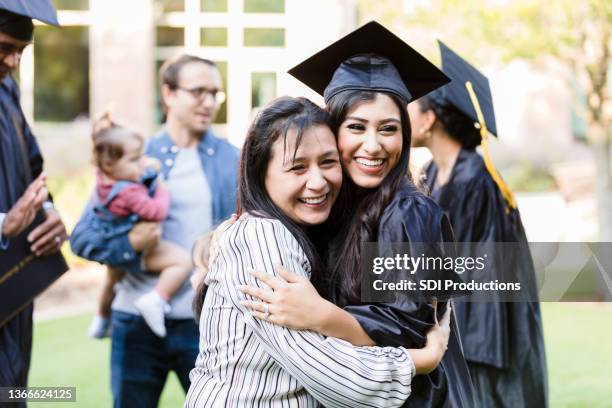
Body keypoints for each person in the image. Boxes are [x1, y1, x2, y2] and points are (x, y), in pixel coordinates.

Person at [240, 21, 476, 407]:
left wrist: (320, 315)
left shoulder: (408, 211)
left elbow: (405, 326)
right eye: (356, 127)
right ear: (331, 130)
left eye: (388, 129)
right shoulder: (329, 206)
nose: (373, 145)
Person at [186, 96, 452, 408]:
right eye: (297, 167)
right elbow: (331, 375)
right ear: (260, 174)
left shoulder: (315, 229)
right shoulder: (260, 235)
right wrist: (423, 360)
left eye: (328, 162)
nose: (318, 182)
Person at [70, 54, 239, 407]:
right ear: (169, 94)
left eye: (215, 93)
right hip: (135, 325)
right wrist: (128, 243)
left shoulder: (234, 160)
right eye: (198, 92)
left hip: (207, 325)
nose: (208, 102)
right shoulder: (134, 156)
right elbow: (83, 238)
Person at [408, 41, 548, 407]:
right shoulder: (433, 172)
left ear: (429, 118)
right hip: (451, 329)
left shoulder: (477, 181)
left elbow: (484, 275)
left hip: (481, 338)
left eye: (412, 106)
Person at [0, 0, 68, 400]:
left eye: (21, 52)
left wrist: (48, 211)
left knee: (12, 389)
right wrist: (2, 224)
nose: (12, 61)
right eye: (5, 47)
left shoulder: (7, 92)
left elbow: (32, 162)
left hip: (12, 289)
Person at [77, 114, 193, 339]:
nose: (142, 162)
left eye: (142, 156)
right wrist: (162, 189)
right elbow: (156, 211)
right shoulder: (128, 193)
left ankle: (101, 318)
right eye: (135, 159)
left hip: (114, 241)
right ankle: (156, 299)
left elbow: (134, 169)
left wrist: (144, 166)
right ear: (111, 163)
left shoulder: (104, 178)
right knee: (182, 260)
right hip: (138, 246)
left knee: (113, 277)